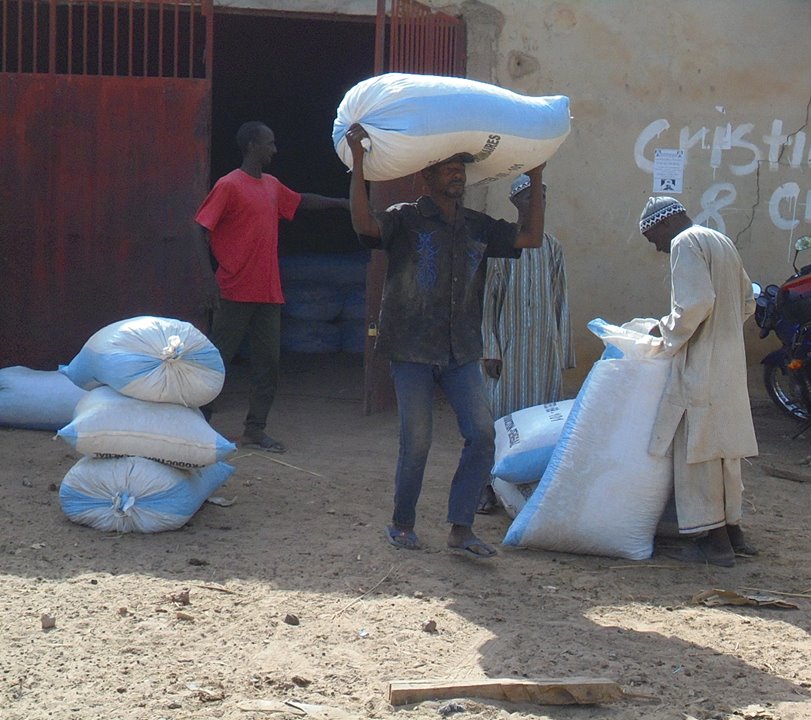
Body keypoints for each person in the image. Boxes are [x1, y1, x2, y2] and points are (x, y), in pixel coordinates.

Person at [344, 122, 545, 558]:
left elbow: (529, 238)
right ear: (427, 178)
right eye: (448, 168)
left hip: (461, 349)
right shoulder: (404, 219)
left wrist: (536, 177)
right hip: (410, 347)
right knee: (417, 438)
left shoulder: (477, 226)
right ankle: (402, 523)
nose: (457, 173)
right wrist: (359, 162)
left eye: (461, 168)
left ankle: (461, 528)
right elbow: (363, 222)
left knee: (481, 435)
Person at [195, 121, 349, 453]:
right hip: (234, 288)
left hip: (268, 291)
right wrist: (208, 279)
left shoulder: (271, 185)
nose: (274, 150)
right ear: (252, 145)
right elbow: (200, 229)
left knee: (268, 363)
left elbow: (302, 201)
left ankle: (255, 429)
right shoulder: (229, 186)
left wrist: (342, 203)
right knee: (216, 361)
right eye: (269, 143)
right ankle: (196, 425)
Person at [640, 197, 759, 568]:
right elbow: (747, 301)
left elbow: (695, 303)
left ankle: (716, 543)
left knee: (699, 449)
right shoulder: (718, 239)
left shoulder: (684, 243)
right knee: (725, 450)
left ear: (664, 224)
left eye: (653, 238)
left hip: (702, 363)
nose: (658, 248)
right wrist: (722, 332)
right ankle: (735, 532)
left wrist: (665, 330)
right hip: (729, 361)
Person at [477, 174, 575, 513]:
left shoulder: (553, 247)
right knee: (501, 418)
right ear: (516, 203)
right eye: (531, 198)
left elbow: (561, 300)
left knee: (542, 422)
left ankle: (535, 489)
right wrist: (489, 347)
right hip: (508, 351)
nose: (538, 204)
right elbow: (489, 302)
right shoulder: (503, 248)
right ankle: (489, 485)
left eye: (542, 198)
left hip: (544, 350)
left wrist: (563, 350)